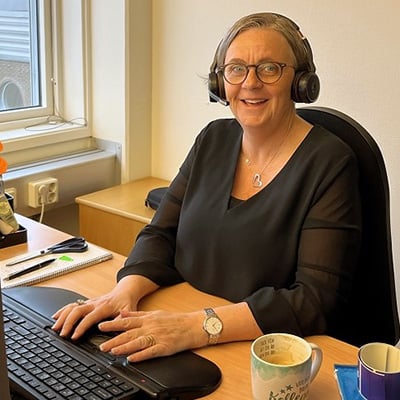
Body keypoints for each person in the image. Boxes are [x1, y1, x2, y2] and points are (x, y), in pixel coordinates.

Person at [52, 12, 362, 362]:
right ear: (220, 83)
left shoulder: (331, 161)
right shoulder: (212, 139)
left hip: (265, 353)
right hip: (180, 322)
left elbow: (314, 299)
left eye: (269, 68)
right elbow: (161, 234)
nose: (250, 83)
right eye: (236, 69)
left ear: (300, 82)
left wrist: (196, 326)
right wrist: (123, 292)